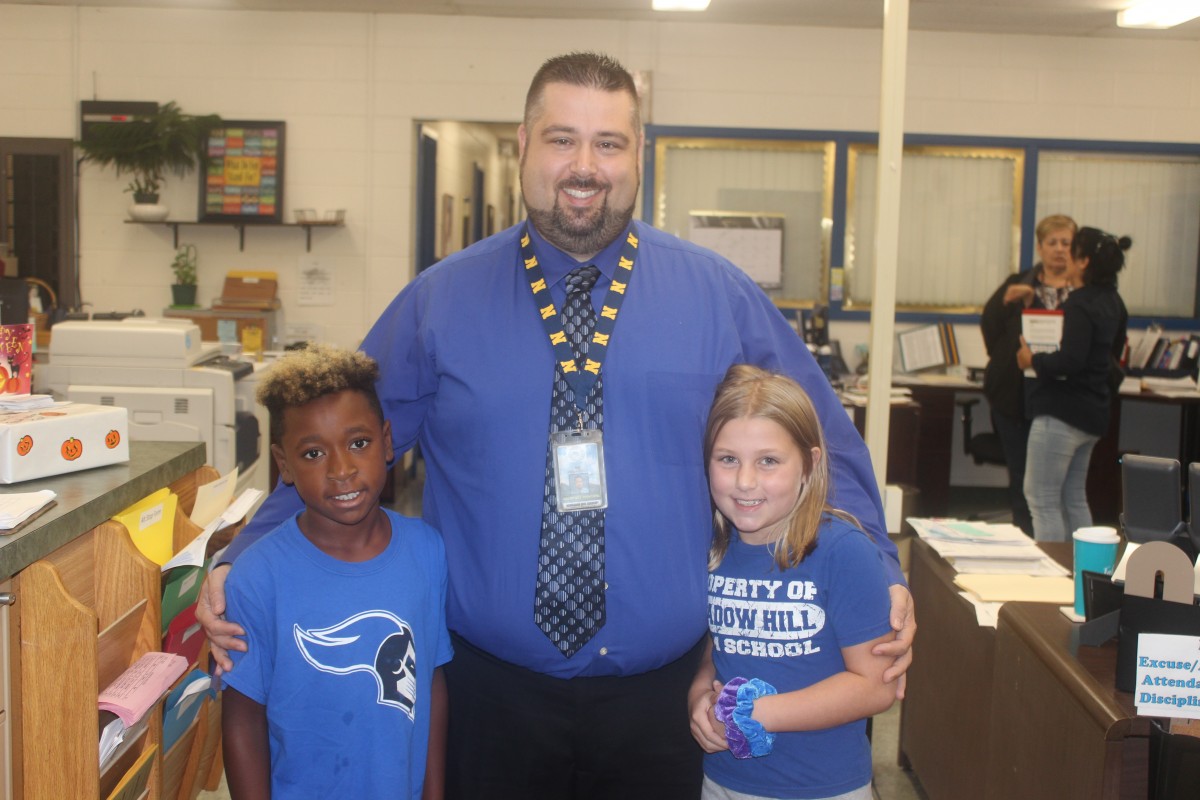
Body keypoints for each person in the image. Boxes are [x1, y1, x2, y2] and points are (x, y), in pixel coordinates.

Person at [201, 52, 914, 799]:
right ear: (522, 146)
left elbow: (823, 437)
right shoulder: (438, 303)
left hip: (665, 702)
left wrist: (881, 566)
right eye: (562, 139)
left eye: (610, 143)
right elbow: (335, 442)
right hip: (488, 696)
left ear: (640, 155)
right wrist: (244, 553)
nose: (586, 165)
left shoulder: (717, 297)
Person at [220, 344, 452, 799]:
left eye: (358, 444)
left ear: (387, 442)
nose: (342, 470)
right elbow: (242, 718)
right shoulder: (257, 577)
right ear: (283, 465)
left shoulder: (427, 551)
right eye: (312, 454)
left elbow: (431, 680)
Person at [688, 365, 896, 800]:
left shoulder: (843, 551)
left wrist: (759, 713)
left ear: (809, 463)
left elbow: (877, 684)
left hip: (824, 787)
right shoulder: (712, 549)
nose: (745, 481)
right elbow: (718, 650)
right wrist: (697, 698)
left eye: (768, 461)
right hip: (724, 781)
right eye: (728, 459)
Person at [1017, 227, 1130, 541]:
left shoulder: (1079, 305)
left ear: (1083, 262)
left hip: (1062, 414)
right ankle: (1083, 574)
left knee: (1041, 497)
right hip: (1093, 412)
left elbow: (1069, 361)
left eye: (1072, 250)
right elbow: (1113, 355)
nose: (1064, 254)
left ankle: (1055, 578)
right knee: (1072, 497)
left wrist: (1032, 360)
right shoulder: (1114, 302)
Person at [980, 214, 1076, 535]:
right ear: (1040, 247)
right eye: (1053, 243)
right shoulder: (1019, 283)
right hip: (1014, 399)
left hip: (1063, 401)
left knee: (1062, 486)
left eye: (1067, 243)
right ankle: (1024, 540)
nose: (1060, 250)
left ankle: (1056, 547)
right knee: (1022, 479)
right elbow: (991, 329)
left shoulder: (1084, 293)